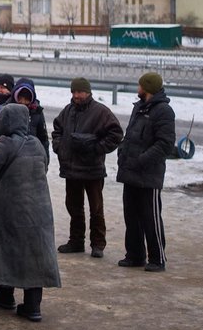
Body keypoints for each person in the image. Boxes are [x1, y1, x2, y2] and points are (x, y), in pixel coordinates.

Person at [0, 103, 61, 322]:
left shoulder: (4, 143)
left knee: (4, 247)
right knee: (35, 254)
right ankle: (33, 306)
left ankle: (5, 295)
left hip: (10, 208)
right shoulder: (35, 144)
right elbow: (42, 167)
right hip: (39, 211)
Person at [52, 77, 123, 258]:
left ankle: (98, 244)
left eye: (80, 92)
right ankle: (76, 241)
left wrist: (97, 148)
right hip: (71, 170)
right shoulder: (67, 111)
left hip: (92, 170)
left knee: (96, 209)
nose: (76, 95)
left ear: (88, 92)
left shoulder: (101, 112)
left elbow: (116, 134)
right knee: (74, 207)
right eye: (74, 92)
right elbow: (57, 130)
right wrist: (60, 147)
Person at [116, 72, 176, 272]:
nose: (137, 88)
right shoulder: (139, 108)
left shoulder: (164, 111)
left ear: (147, 88)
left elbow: (165, 144)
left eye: (140, 85)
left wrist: (142, 160)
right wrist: (123, 152)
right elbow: (130, 135)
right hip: (130, 171)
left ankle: (157, 258)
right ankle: (135, 255)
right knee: (131, 216)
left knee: (150, 217)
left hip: (148, 175)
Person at [11, 78, 50, 159]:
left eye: (26, 98)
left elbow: (43, 139)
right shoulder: (7, 109)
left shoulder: (37, 112)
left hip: (32, 158)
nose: (23, 102)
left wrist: (45, 160)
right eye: (20, 98)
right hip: (11, 158)